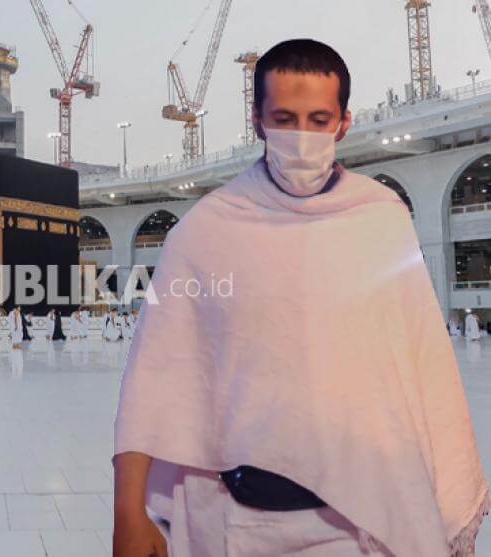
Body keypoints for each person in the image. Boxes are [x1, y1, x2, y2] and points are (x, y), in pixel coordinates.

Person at [113, 39, 488, 557]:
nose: (302, 137)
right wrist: (127, 512)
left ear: (344, 123)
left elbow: (423, 364)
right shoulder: (205, 231)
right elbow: (153, 376)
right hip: (239, 519)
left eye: (319, 119)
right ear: (258, 120)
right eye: (285, 119)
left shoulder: (381, 220)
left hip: (360, 521)